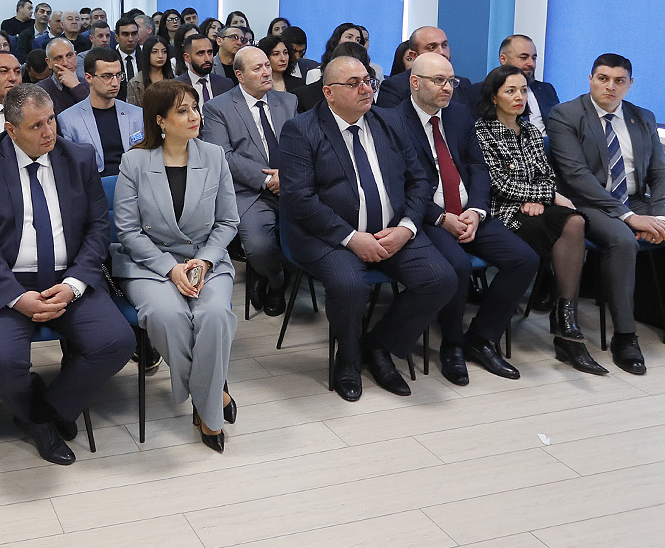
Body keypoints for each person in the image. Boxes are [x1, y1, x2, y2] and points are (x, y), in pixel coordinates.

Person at [0, 84, 134, 465]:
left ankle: (41, 413)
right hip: (5, 284)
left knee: (116, 342)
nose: (49, 131)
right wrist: (16, 297)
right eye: (37, 125)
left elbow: (98, 229)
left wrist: (73, 285)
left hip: (68, 280)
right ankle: (41, 409)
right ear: (11, 129)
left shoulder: (78, 157)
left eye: (51, 119)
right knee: (0, 365)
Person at [277, 54, 457, 402]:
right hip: (329, 236)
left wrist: (406, 228)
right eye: (354, 83)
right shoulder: (301, 130)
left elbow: (420, 181)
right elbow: (299, 198)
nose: (366, 89)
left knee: (441, 279)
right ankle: (348, 359)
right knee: (349, 286)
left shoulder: (389, 121)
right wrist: (351, 238)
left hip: (392, 230)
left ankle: (379, 346)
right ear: (328, 92)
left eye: (368, 81)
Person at [547, 55, 665, 373]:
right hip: (588, 204)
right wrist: (628, 217)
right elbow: (576, 176)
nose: (610, 86)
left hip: (637, 202)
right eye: (603, 78)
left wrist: (663, 217)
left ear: (630, 84)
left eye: (619, 81)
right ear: (591, 79)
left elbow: (661, 172)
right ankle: (625, 337)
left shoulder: (643, 118)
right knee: (623, 241)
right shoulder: (565, 115)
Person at [375, 53, 537, 384]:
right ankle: (452, 345)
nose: (448, 88)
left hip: (468, 211)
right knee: (459, 267)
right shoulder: (392, 121)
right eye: (439, 81)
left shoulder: (459, 113)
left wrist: (476, 210)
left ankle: (481, 337)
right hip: (427, 216)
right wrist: (440, 218)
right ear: (415, 82)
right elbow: (398, 186)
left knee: (524, 259)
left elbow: (477, 166)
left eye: (451, 81)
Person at [112, 80, 239, 451]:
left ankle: (206, 407)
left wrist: (205, 260)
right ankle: (212, 398)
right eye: (182, 111)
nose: (194, 116)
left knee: (214, 314)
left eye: (195, 108)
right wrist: (170, 268)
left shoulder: (213, 155)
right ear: (160, 120)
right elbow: (128, 231)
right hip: (150, 262)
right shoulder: (135, 161)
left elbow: (228, 222)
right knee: (168, 315)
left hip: (205, 257)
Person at [474, 66, 602, 375]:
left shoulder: (530, 131)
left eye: (523, 90)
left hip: (535, 209)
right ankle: (564, 330)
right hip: (502, 213)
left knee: (574, 222)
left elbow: (546, 174)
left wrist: (539, 198)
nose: (519, 97)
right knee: (561, 224)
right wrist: (545, 196)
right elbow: (499, 184)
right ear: (494, 97)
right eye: (510, 91)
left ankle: (566, 316)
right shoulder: (481, 132)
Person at [201, 46, 296, 317]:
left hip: (291, 185)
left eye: (267, 65)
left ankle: (266, 271)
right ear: (240, 75)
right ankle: (276, 280)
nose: (267, 72)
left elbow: (302, 146)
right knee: (259, 247)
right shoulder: (217, 108)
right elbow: (223, 156)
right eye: (258, 68)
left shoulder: (288, 101)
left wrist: (286, 176)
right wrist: (267, 179)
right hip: (250, 191)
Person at [57, 47, 142, 177]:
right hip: (93, 183)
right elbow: (72, 167)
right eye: (107, 76)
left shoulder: (137, 114)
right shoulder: (68, 120)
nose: (115, 83)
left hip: (134, 180)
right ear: (88, 77)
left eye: (118, 75)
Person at [376, 27, 474, 110]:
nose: (442, 52)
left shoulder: (462, 85)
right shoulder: (395, 87)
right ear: (414, 56)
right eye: (432, 47)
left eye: (444, 45)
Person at [498, 33, 561, 125]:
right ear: (503, 59)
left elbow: (559, 125)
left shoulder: (546, 90)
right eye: (523, 58)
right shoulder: (485, 92)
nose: (531, 64)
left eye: (534, 58)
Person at [177, 31, 234, 111]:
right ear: (187, 58)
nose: (207, 59)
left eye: (210, 52)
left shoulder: (226, 84)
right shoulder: (176, 87)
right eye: (200, 53)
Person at [38, 38, 89, 114]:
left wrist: (76, 87)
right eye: (59, 58)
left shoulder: (89, 83)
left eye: (69, 56)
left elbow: (95, 113)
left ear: (75, 56)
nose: (65, 63)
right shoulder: (40, 91)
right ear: (49, 63)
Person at [126, 35, 174, 105]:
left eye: (164, 51)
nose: (160, 56)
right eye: (154, 52)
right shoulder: (135, 83)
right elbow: (132, 109)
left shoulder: (175, 80)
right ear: (147, 54)